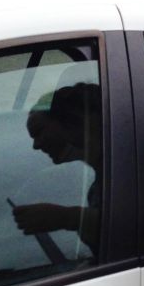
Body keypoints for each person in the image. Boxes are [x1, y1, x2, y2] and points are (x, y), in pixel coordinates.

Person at [12, 83, 102, 256]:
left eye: (39, 132)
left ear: (73, 120)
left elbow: (139, 226)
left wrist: (67, 218)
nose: (36, 146)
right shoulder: (108, 173)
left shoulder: (141, 160)